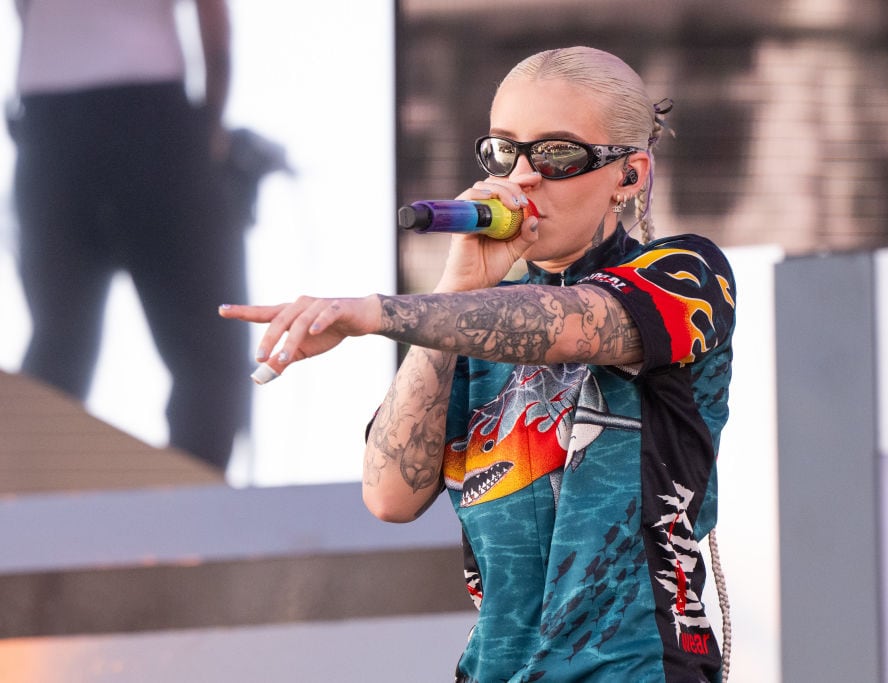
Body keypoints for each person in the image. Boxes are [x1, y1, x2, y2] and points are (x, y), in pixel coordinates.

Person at [222, 46, 736, 682]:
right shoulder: (470, 321)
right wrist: (454, 287)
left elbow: (565, 327)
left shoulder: (685, 272)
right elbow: (390, 495)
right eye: (503, 151)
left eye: (556, 154)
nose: (523, 177)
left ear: (628, 175)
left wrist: (380, 313)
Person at [11, 0, 250, 471]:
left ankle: (34, 516)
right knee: (209, 348)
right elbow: (214, 23)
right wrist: (209, 126)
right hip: (150, 113)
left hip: (47, 122)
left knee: (58, 348)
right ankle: (190, 508)